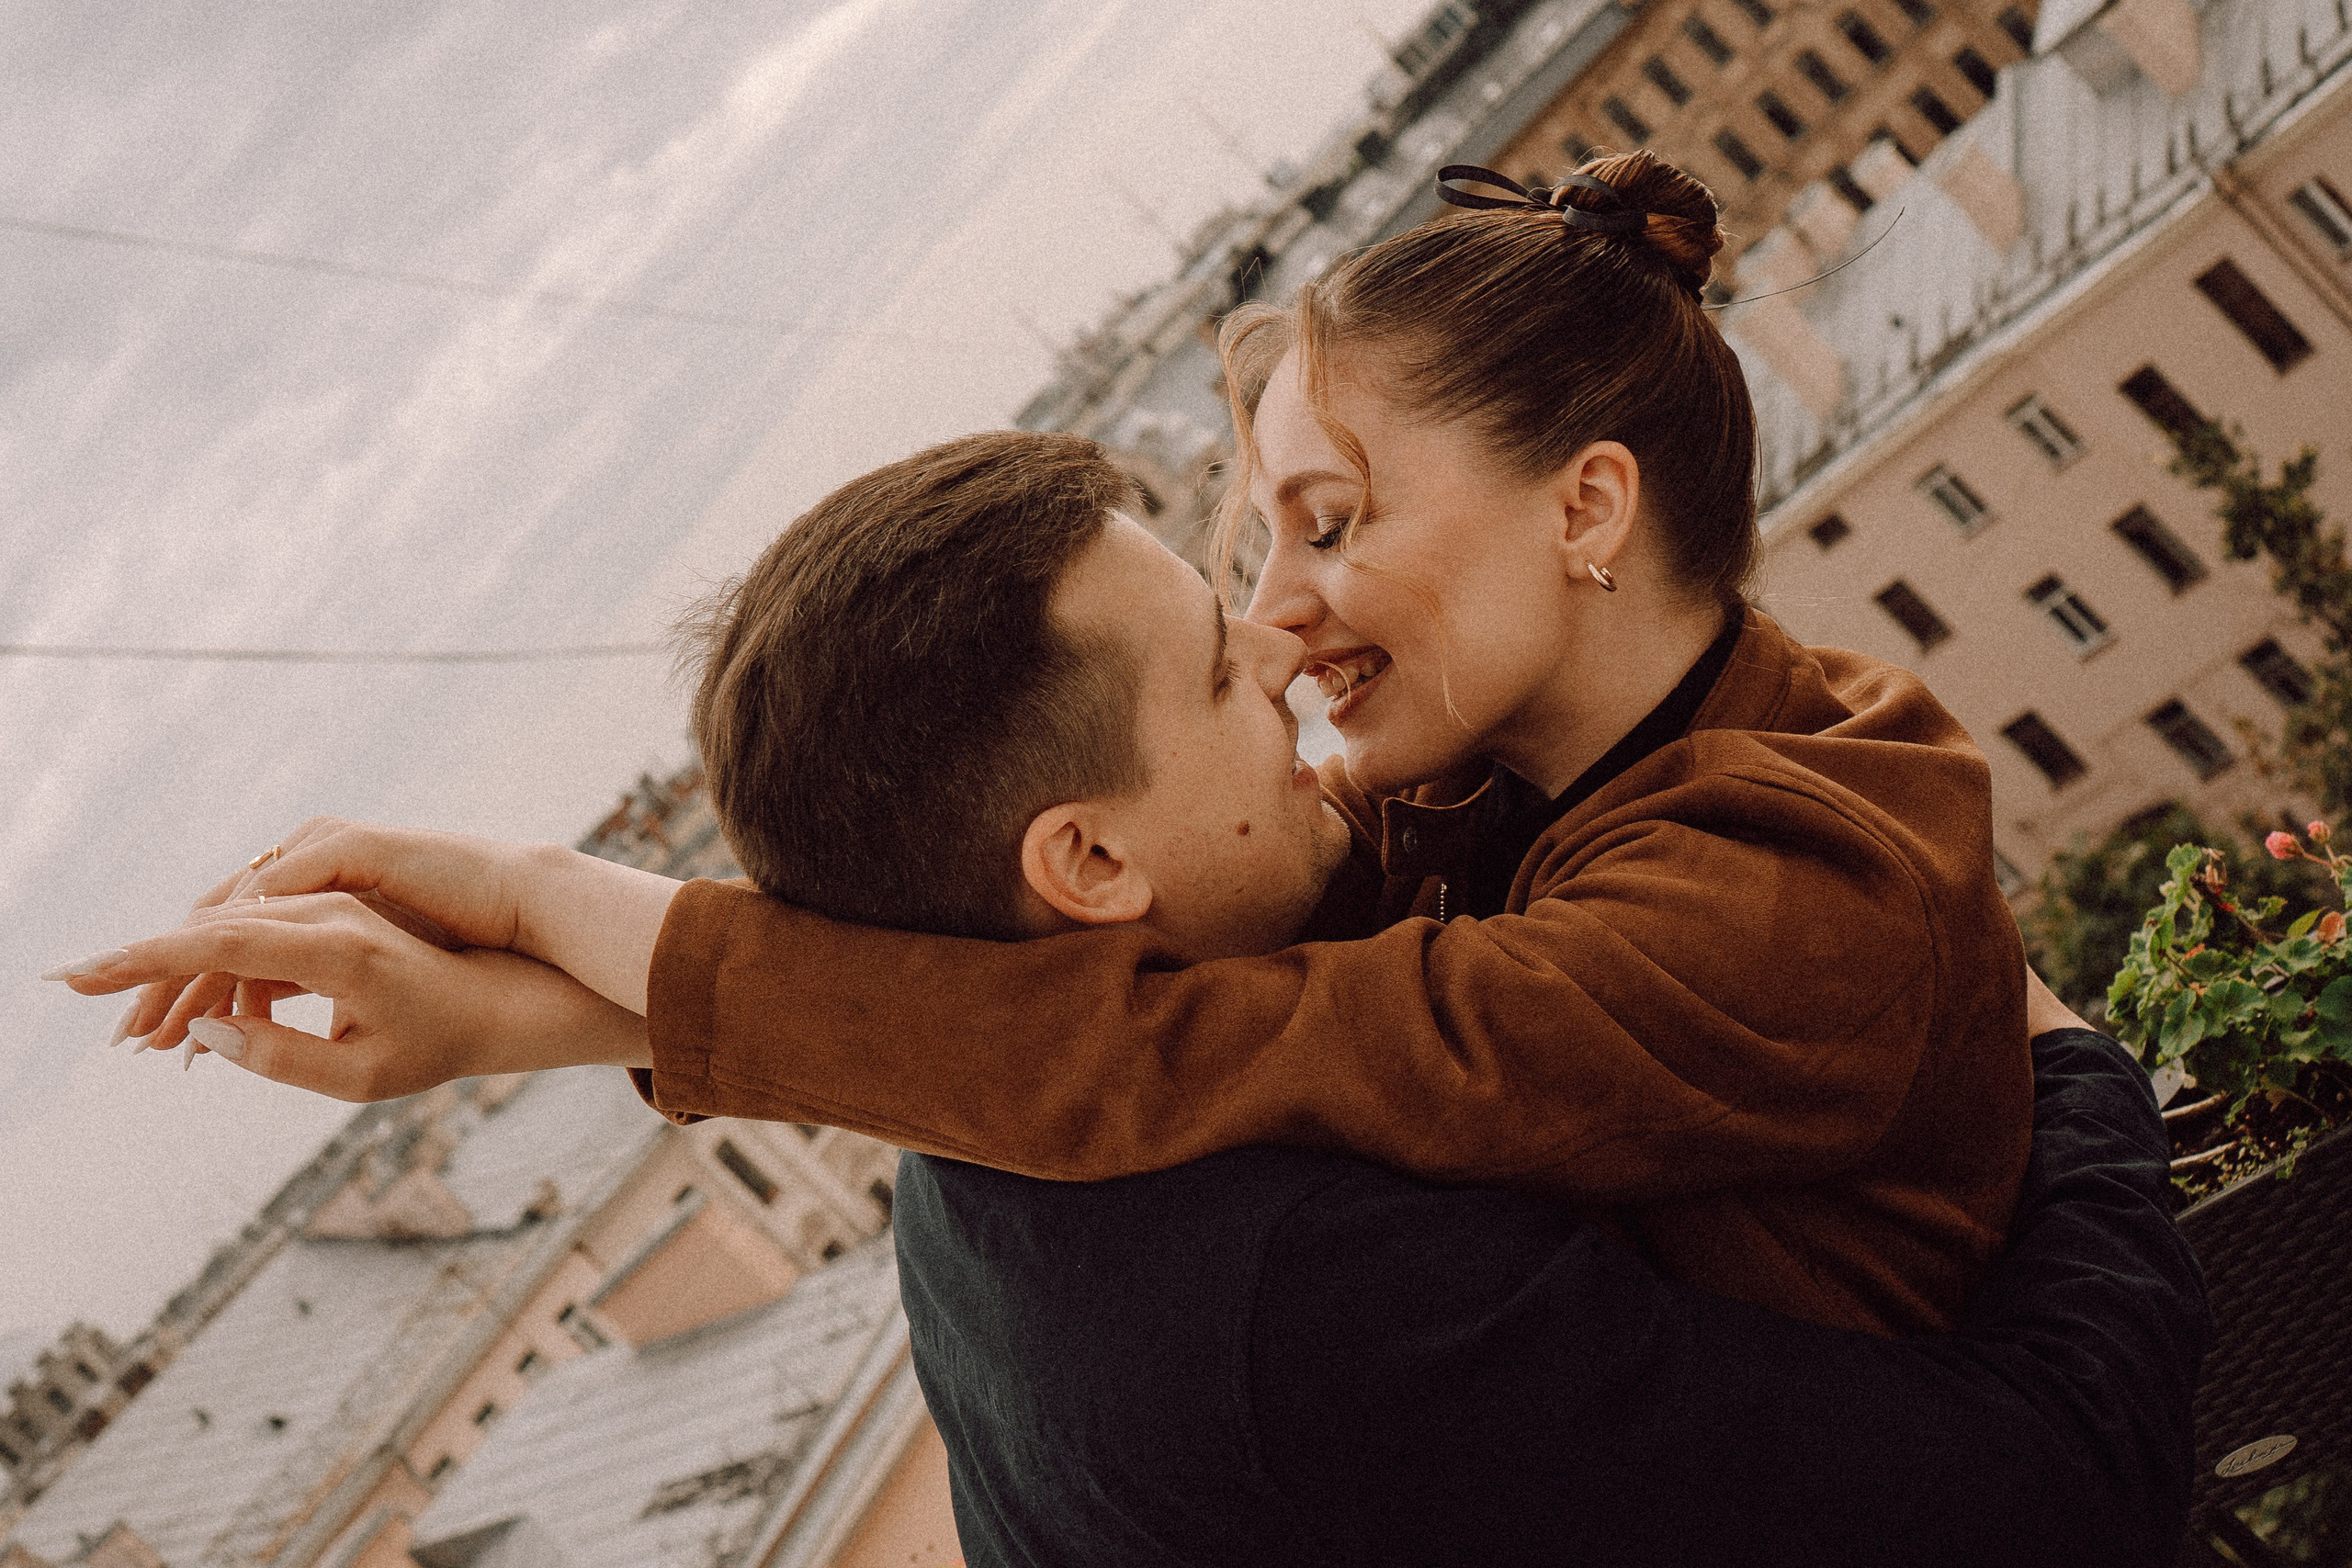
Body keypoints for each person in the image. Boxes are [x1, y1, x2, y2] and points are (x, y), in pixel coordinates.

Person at [53, 429, 2203, 1564]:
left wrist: (568, 966)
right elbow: (2043, 1494)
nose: (1282, 646)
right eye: (1212, 669)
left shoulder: (991, 1147)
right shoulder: (1322, 1292)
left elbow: (1045, 1030)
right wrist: (2071, 1070)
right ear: (1085, 866)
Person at [91, 152, 2030, 1341]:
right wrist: (539, 1014)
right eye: (1261, 540)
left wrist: (554, 907)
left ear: (1585, 507)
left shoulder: (1779, 885)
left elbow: (1182, 1048)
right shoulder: (1511, 798)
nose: (1278, 612)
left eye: (1329, 523)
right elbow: (1136, 972)